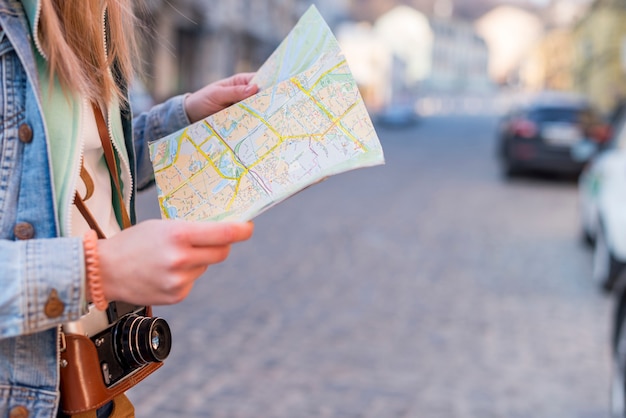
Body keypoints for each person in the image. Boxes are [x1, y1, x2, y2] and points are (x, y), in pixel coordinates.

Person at [0, 0, 258, 417]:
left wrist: (185, 119)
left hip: (93, 382)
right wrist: (95, 270)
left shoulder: (93, 17)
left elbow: (78, 171)